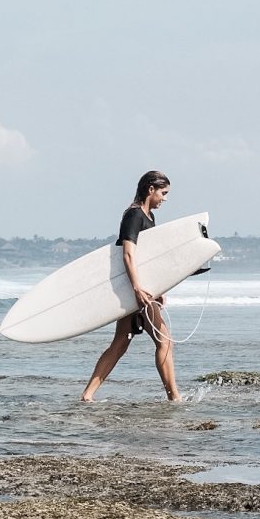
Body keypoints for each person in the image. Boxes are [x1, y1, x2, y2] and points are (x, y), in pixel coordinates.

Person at [81, 170, 181, 402]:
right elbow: (127, 255)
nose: (164, 198)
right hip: (135, 289)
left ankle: (87, 395)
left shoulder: (149, 217)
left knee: (120, 342)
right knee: (164, 339)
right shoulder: (134, 216)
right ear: (150, 190)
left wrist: (161, 288)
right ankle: (174, 397)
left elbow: (148, 259)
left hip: (141, 288)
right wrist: (137, 289)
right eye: (163, 193)